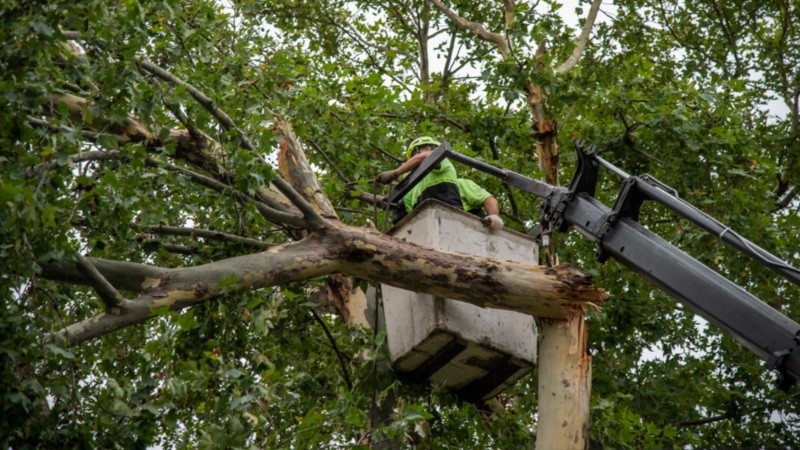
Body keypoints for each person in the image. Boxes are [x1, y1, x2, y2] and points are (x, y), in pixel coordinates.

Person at [376, 136, 504, 231]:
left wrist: (493, 217)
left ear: (427, 148)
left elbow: (489, 199)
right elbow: (399, 209)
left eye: (414, 155)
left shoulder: (451, 172)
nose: (412, 162)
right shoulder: (415, 189)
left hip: (462, 224)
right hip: (429, 227)